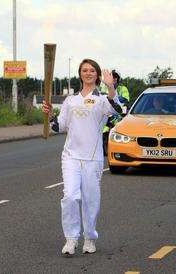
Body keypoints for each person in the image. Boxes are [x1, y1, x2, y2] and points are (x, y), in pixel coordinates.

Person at [42, 59, 122, 256]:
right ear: (80, 74)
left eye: (92, 70)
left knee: (90, 200)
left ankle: (89, 238)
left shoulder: (103, 100)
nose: (88, 73)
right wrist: (50, 114)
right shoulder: (70, 101)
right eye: (84, 70)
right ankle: (71, 239)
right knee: (70, 196)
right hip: (71, 156)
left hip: (93, 158)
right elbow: (59, 127)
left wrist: (111, 87)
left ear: (97, 75)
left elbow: (118, 110)